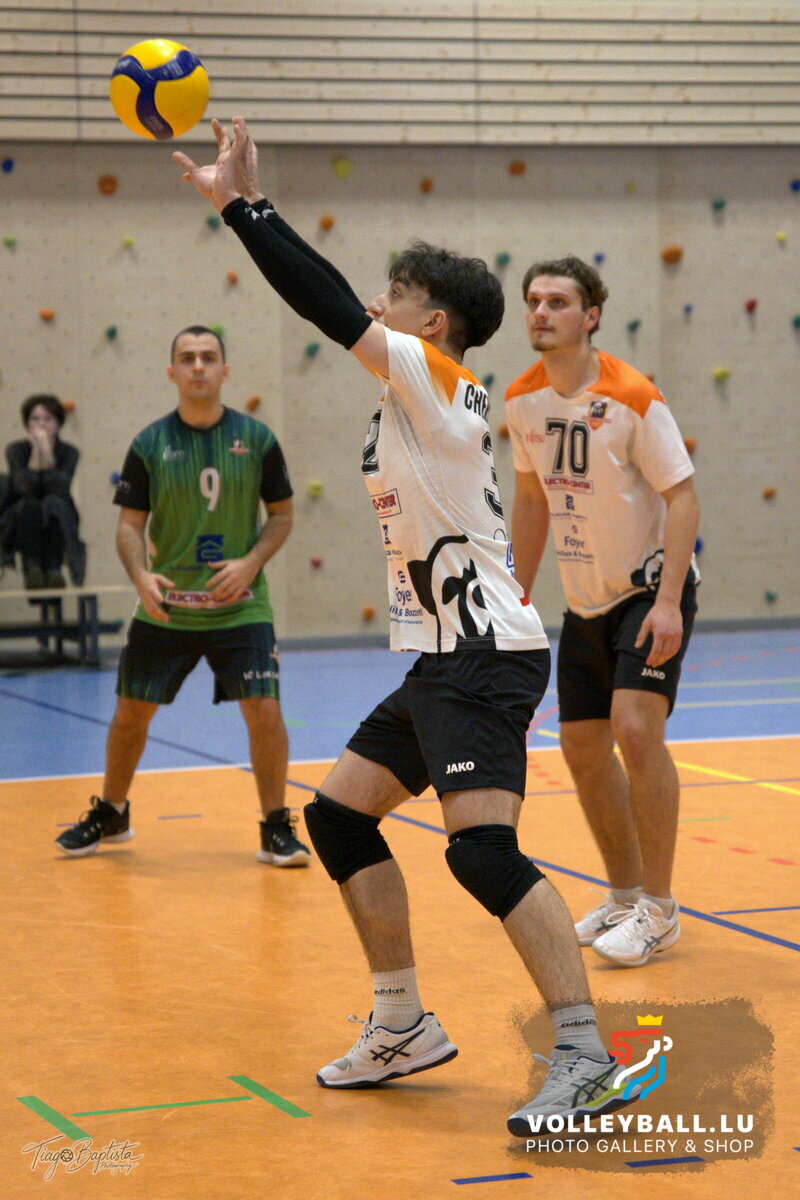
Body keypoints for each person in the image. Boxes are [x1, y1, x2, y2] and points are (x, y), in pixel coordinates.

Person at [171, 117, 642, 1134]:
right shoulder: (416, 393)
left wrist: (243, 207)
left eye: (393, 297)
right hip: (441, 657)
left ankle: (584, 1057)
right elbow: (342, 304)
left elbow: (324, 301)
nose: (375, 306)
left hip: (484, 653)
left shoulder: (435, 379)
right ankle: (401, 1025)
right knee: (339, 819)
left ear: (432, 323)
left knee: (482, 854)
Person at [505, 255, 700, 968]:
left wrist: (670, 601)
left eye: (557, 301)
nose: (541, 312)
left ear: (590, 316)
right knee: (582, 748)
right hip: (584, 597)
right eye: (533, 300)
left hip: (648, 592)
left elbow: (683, 497)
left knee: (635, 730)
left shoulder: (632, 396)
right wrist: (514, 596)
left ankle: (660, 909)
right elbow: (531, 502)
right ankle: (624, 897)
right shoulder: (522, 399)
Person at [56, 325, 310, 869]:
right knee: (130, 712)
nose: (198, 366)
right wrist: (141, 577)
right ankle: (113, 813)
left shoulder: (258, 439)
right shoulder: (149, 443)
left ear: (225, 370)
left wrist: (250, 563)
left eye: (208, 357)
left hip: (240, 604)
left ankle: (274, 827)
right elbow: (129, 526)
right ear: (171, 372)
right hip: (167, 606)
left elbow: (282, 516)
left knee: (264, 708)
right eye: (188, 358)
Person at [1, 394, 86, 588]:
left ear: (58, 424)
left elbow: (59, 488)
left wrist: (47, 453)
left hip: (59, 512)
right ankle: (33, 569)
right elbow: (24, 488)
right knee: (30, 505)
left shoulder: (69, 452)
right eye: (35, 419)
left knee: (53, 503)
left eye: (48, 419)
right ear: (27, 423)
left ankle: (54, 570)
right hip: (19, 515)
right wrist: (35, 455)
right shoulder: (16, 450)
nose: (41, 424)